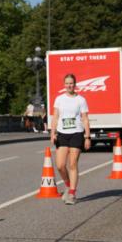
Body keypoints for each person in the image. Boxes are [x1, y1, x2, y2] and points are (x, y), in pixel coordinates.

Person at [51, 73, 91, 205]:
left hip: (76, 133)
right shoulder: (59, 99)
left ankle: (72, 193)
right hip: (62, 133)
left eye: (71, 83)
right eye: (67, 83)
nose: (69, 85)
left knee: (72, 164)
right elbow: (55, 116)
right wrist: (53, 133)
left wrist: (87, 136)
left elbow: (85, 118)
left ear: (75, 84)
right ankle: (68, 185)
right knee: (60, 165)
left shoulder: (81, 100)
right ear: (64, 84)